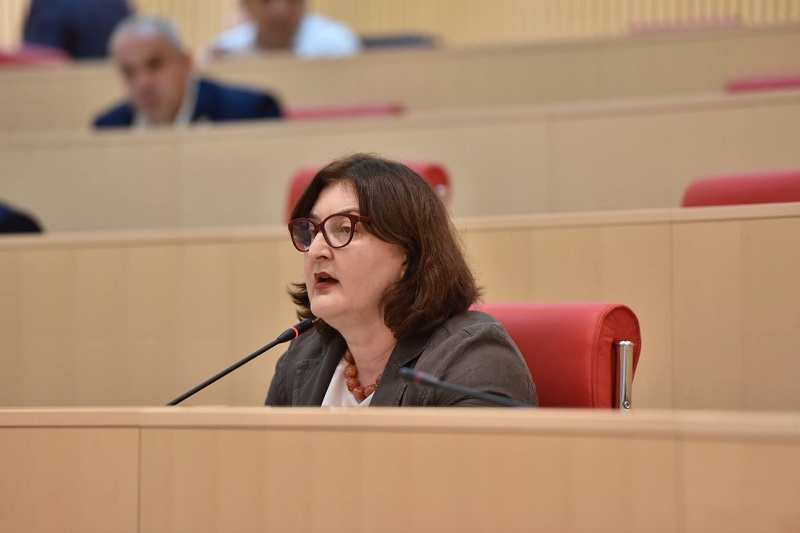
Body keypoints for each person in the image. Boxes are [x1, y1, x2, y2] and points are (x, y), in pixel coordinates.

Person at [267, 154, 537, 407]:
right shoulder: (302, 357)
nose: (316, 250)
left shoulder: (474, 359)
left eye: (345, 229)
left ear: (407, 255)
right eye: (311, 231)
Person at [94, 16, 282, 129]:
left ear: (185, 63)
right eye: (129, 72)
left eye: (155, 65)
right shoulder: (108, 128)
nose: (143, 82)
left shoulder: (250, 113)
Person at [210, 0, 360, 59]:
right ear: (246, 5)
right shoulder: (226, 50)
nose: (279, 11)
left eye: (290, 0)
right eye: (266, 1)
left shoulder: (336, 47)